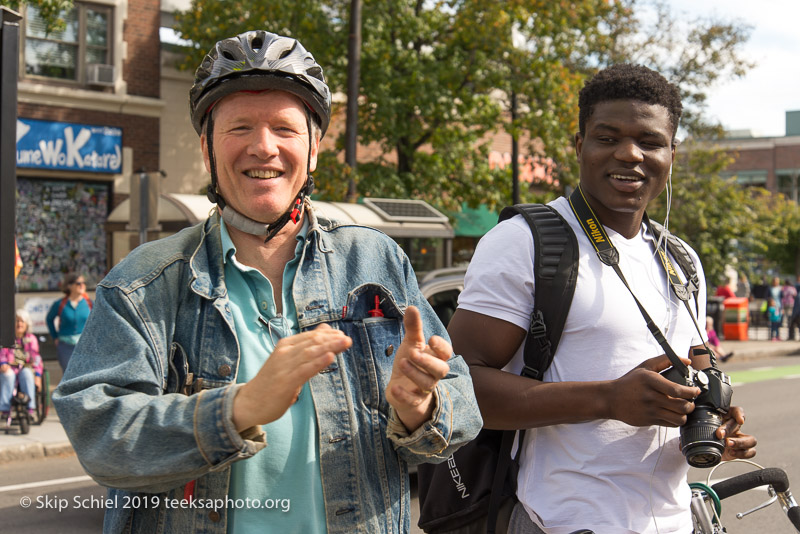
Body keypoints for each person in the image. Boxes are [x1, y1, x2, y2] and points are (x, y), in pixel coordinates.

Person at [53, 30, 481, 534]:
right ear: (208, 148)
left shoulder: (375, 261)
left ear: (315, 148)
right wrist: (239, 409)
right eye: (239, 128)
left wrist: (420, 408)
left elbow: (463, 408)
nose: (263, 147)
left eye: (284, 128)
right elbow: (97, 434)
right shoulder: (143, 284)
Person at [447, 64, 756, 533]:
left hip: (675, 521)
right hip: (563, 521)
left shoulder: (681, 257)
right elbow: (457, 392)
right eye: (607, 137)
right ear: (579, 146)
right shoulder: (523, 242)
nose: (629, 154)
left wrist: (703, 427)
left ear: (672, 153)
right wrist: (608, 399)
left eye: (650, 142)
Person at [45, 272, 91, 372]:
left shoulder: (89, 303)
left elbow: (98, 321)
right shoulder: (60, 304)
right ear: (69, 286)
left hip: (85, 346)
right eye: (78, 283)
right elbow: (49, 319)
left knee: (84, 375)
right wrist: (55, 337)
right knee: (68, 375)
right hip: (65, 346)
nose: (82, 285)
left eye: (84, 283)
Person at [0, 309, 43, 418]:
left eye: (22, 321)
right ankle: (4, 409)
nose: (19, 324)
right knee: (7, 375)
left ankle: (30, 407)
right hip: (10, 368)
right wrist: (3, 363)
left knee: (27, 374)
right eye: (17, 321)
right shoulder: (7, 338)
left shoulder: (31, 339)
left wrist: (38, 376)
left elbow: (36, 358)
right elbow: (2, 353)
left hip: (26, 368)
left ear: (26, 324)